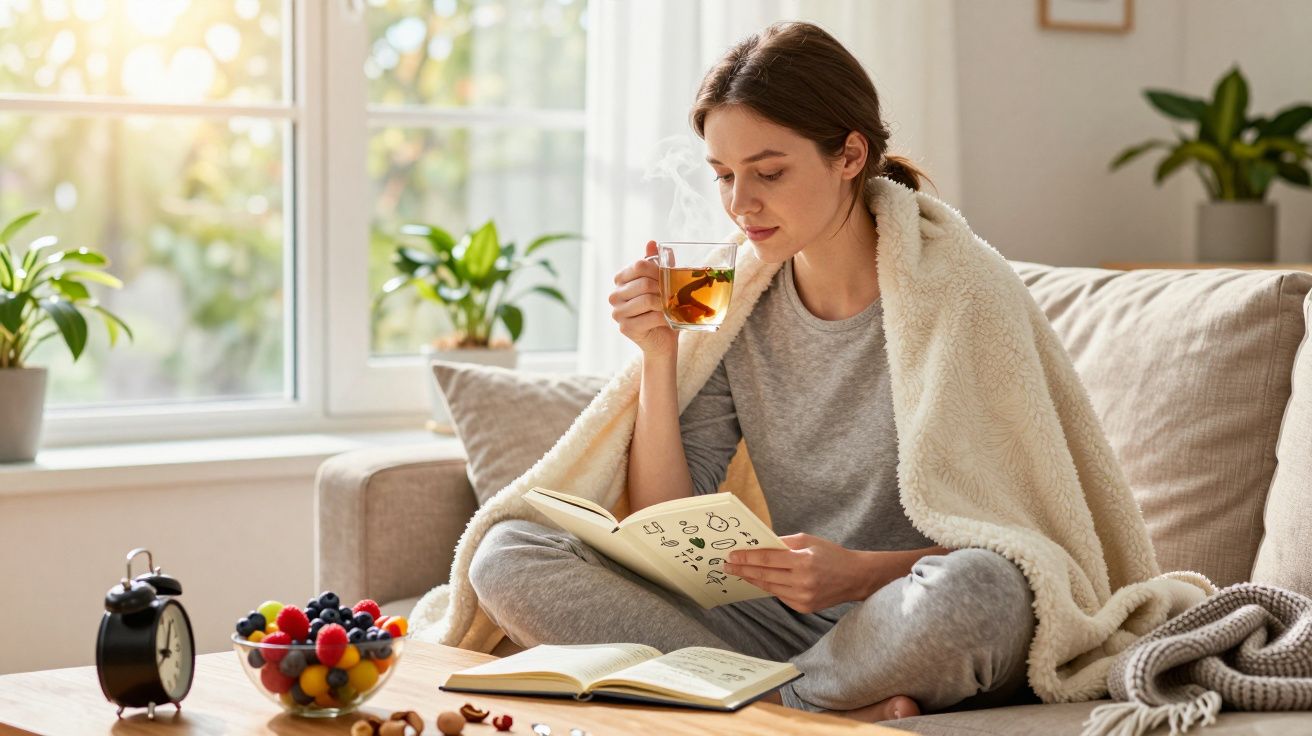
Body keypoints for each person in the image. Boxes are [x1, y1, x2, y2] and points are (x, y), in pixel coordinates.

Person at [468, 21, 1037, 722]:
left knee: (983, 590)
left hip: (907, 608)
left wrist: (857, 573)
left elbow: (1027, 540)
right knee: (509, 552)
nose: (740, 204)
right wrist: (658, 356)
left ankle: (753, 702)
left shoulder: (961, 288)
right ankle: (808, 705)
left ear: (850, 154)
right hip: (783, 625)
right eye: (724, 176)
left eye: (768, 173)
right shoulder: (742, 300)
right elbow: (665, 517)